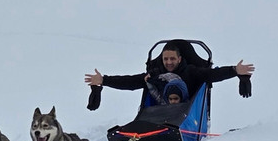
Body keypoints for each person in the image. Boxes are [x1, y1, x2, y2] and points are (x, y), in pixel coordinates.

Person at [85, 41, 254, 110]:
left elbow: (212, 74)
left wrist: (234, 70)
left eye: (172, 58)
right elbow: (131, 81)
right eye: (166, 59)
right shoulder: (154, 75)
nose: (169, 62)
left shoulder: (191, 71)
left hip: (185, 118)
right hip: (157, 117)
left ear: (180, 59)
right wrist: (104, 80)